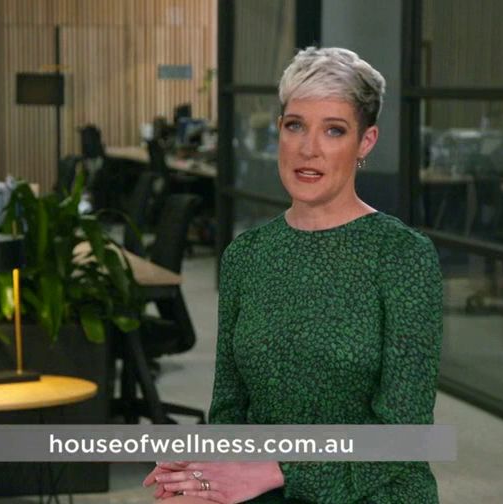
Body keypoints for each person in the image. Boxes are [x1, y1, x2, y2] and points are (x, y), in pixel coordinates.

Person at [142, 46, 444, 503]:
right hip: (264, 487)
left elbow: (405, 434)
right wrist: (207, 469)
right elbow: (229, 407)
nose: (309, 149)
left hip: (373, 492)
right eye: (295, 126)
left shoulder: (402, 256)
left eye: (334, 130)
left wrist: (278, 471)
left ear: (365, 142)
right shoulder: (246, 256)